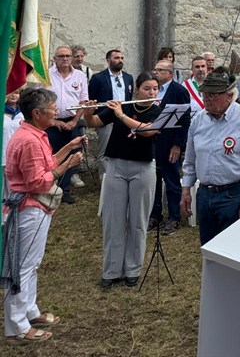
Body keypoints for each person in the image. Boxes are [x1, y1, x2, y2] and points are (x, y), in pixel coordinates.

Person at [2, 88, 84, 342]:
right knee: (24, 266)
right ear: (37, 113)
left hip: (35, 207)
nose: (56, 112)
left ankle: (29, 310)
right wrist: (68, 165)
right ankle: (17, 326)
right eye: (52, 108)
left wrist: (69, 147)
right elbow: (39, 181)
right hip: (29, 208)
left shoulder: (34, 134)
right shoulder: (28, 140)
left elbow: (46, 162)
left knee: (31, 263)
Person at [83, 73, 162, 288]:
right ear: (136, 89)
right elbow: (94, 122)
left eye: (155, 88)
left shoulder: (157, 110)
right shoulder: (123, 105)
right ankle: (111, 270)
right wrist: (89, 111)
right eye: (147, 88)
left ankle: (133, 270)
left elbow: (148, 131)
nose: (152, 93)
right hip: (116, 165)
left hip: (143, 168)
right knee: (113, 220)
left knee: (138, 221)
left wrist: (120, 116)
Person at [180, 67, 240, 244]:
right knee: (209, 247)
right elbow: (190, 160)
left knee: (234, 248)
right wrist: (186, 189)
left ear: (229, 96)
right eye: (205, 95)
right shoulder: (198, 120)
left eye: (213, 95)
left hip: (234, 195)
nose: (207, 99)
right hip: (205, 194)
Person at [148, 60, 190, 235]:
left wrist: (177, 145)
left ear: (170, 74)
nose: (156, 72)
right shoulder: (151, 90)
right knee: (153, 182)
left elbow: (185, 120)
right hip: (152, 144)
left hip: (169, 144)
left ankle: (174, 217)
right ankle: (155, 215)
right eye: (155, 69)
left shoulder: (178, 91)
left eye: (160, 70)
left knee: (171, 181)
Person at [46, 46, 89, 204]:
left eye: (68, 56)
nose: (65, 59)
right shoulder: (47, 74)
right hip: (51, 122)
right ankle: (49, 188)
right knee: (51, 156)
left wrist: (74, 121)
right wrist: (53, 121)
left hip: (73, 121)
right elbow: (40, 99)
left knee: (71, 156)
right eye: (61, 56)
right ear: (54, 58)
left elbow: (83, 101)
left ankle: (65, 191)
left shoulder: (79, 76)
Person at [89, 49, 134, 174]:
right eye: (116, 58)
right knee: (105, 150)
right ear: (108, 60)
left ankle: (119, 175)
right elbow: (92, 98)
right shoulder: (98, 78)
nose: (120, 60)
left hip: (123, 118)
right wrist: (96, 117)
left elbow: (129, 98)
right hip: (105, 118)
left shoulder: (128, 78)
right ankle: (104, 179)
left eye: (122, 58)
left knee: (123, 148)